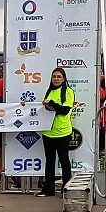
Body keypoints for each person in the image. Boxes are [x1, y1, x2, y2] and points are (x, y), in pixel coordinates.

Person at [37, 68, 75, 197]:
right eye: (54, 76)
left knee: (64, 160)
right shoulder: (49, 91)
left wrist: (51, 103)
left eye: (59, 77)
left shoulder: (69, 92)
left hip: (63, 132)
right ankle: (48, 190)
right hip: (48, 132)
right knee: (50, 161)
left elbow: (64, 110)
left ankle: (66, 189)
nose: (56, 79)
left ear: (64, 79)